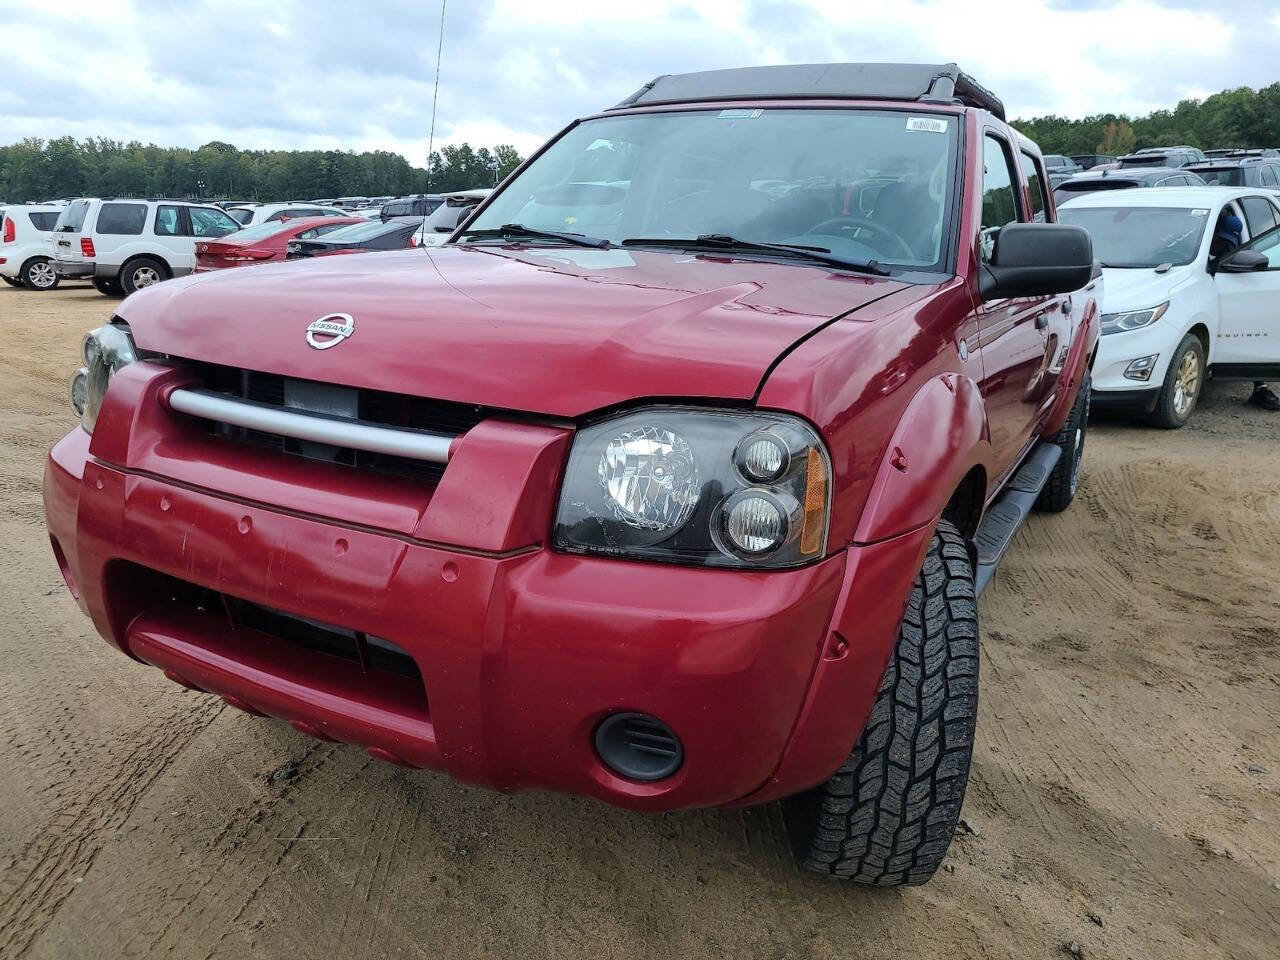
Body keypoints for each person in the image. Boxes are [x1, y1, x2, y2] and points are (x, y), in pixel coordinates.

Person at [1210, 209, 1280, 411]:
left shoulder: (1232, 248)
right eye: (1222, 238)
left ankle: (1260, 387)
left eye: (1229, 240)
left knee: (1253, 334)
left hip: (1230, 299)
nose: (1225, 243)